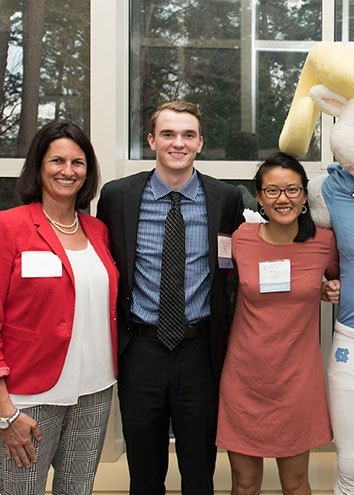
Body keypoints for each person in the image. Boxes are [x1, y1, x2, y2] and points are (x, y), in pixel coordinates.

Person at [96, 101, 244, 494]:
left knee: (199, 473)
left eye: (187, 135)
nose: (177, 143)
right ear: (151, 141)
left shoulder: (225, 199)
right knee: (144, 473)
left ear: (200, 143)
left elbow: (243, 262)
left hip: (200, 352)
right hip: (140, 350)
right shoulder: (117, 197)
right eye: (168, 134)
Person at [0, 122, 118, 494]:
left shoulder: (97, 230)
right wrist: (5, 411)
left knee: (77, 489)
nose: (68, 171)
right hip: (27, 397)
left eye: (78, 162)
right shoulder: (9, 227)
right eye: (57, 161)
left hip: (95, 391)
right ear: (38, 166)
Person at [217, 152, 340, 494]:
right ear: (258, 196)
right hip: (244, 378)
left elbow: (349, 280)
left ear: (303, 196)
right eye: (272, 191)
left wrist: (334, 287)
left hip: (297, 382)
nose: (282, 199)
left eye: (292, 190)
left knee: (296, 483)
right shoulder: (241, 238)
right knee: (244, 483)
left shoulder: (323, 242)